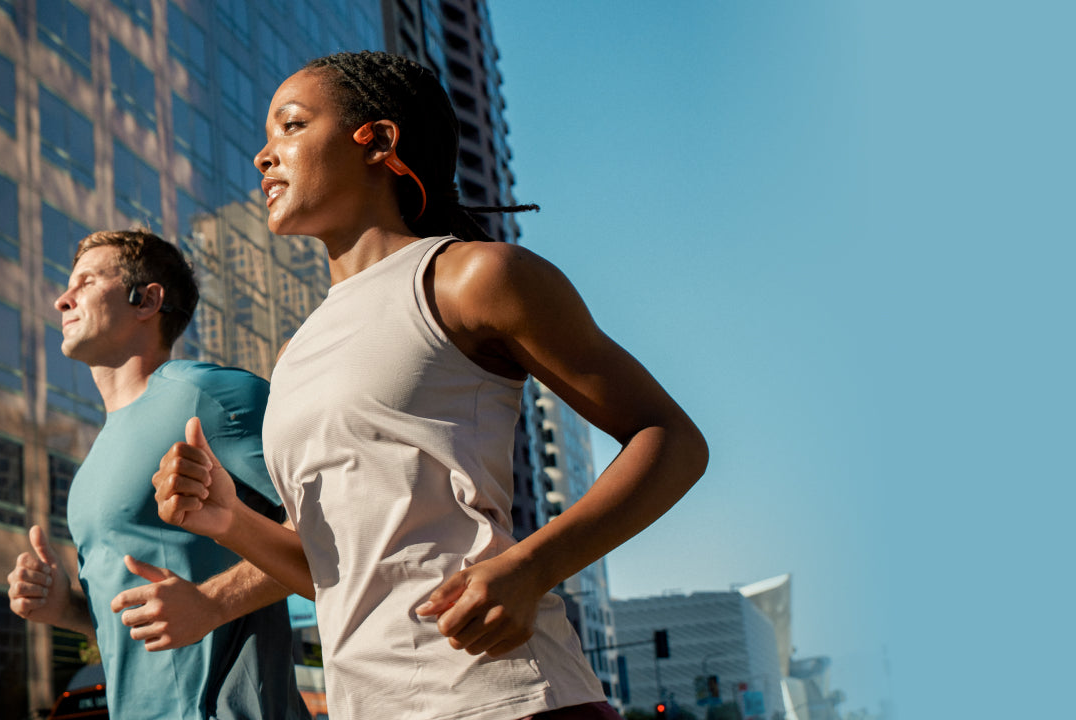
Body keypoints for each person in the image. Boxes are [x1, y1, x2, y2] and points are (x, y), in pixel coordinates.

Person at [152, 51, 709, 720]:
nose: (263, 157)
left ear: (379, 142)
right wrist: (229, 519)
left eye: (291, 127)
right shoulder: (297, 350)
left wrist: (534, 567)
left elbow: (672, 439)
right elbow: (342, 574)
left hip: (507, 698)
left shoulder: (469, 278)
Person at [7, 230, 311, 720]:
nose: (62, 299)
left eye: (86, 282)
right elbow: (157, 618)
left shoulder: (209, 395)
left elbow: (337, 531)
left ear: (146, 300)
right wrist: (66, 610)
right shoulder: (91, 467)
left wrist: (214, 602)